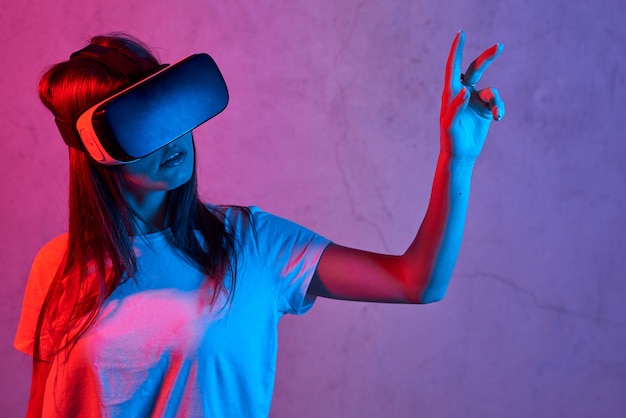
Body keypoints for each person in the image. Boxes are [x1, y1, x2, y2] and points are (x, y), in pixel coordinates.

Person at [14, 31, 504, 417]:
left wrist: (456, 158)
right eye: (145, 119)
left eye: (172, 105)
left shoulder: (252, 243)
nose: (173, 137)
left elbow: (417, 281)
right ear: (97, 150)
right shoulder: (55, 265)